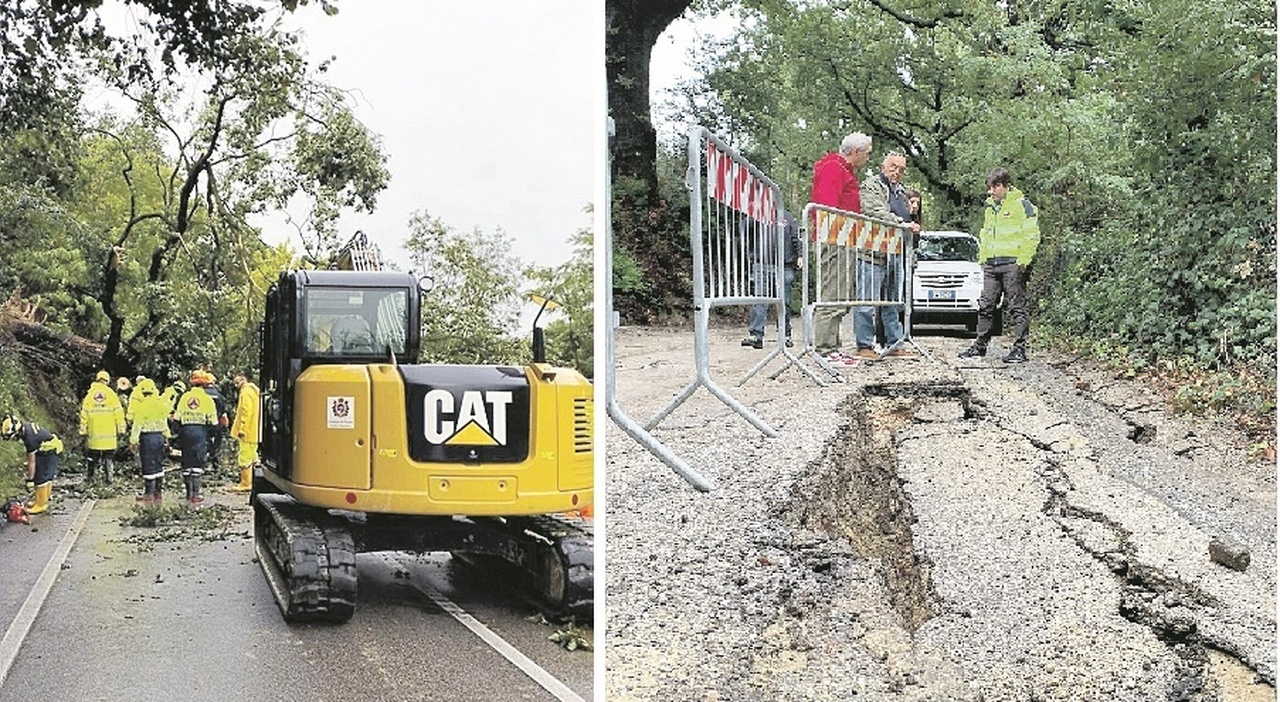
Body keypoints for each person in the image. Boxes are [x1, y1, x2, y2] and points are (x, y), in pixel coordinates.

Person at [959, 167, 1041, 363]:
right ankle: (980, 346)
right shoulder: (990, 207)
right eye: (989, 187)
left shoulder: (1023, 205)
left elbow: (1032, 235)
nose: (991, 191)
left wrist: (1023, 261)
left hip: (1013, 263)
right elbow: (986, 235)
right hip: (991, 265)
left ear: (1006, 186)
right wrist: (983, 259)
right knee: (986, 305)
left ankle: (1019, 349)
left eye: (995, 187)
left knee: (1016, 306)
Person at [809, 132, 873, 366]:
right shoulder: (833, 168)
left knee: (841, 292)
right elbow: (827, 206)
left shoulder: (841, 170)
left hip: (843, 238)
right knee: (833, 293)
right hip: (835, 238)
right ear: (855, 152)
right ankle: (825, 350)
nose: (867, 159)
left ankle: (832, 347)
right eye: (866, 154)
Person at [858, 151, 921, 359]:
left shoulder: (902, 192)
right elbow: (874, 211)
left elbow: (907, 216)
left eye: (901, 169)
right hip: (872, 252)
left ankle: (895, 344)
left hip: (895, 253)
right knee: (866, 302)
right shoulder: (870, 185)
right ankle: (864, 345)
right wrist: (902, 223)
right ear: (883, 166)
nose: (897, 172)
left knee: (892, 303)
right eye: (893, 167)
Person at [742, 211, 802, 349]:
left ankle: (785, 335)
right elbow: (744, 230)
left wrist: (800, 255)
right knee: (759, 300)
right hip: (761, 264)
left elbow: (796, 237)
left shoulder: (787, 217)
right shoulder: (757, 214)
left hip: (784, 265)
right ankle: (756, 336)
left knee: (784, 302)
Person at [1, 414, 64, 515]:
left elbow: (32, 462)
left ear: (16, 432)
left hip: (50, 451)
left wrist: (30, 479)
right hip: (49, 448)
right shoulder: (26, 428)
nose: (14, 439)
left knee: (41, 478)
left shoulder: (30, 439)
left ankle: (41, 505)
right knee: (46, 476)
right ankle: (42, 499)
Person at [174, 370, 218, 504]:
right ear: (204, 385)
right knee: (198, 462)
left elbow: (177, 419)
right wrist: (212, 436)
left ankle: (188, 493)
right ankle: (196, 494)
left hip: (186, 431)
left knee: (187, 462)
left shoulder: (184, 397)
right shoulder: (207, 399)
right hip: (200, 432)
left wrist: (177, 434)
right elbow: (214, 422)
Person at [128, 378, 171, 504]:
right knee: (158, 463)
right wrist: (167, 439)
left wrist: (133, 441)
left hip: (147, 438)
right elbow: (165, 423)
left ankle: (148, 493)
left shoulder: (141, 407)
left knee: (148, 464)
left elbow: (137, 426)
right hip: (159, 437)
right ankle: (158, 492)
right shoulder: (160, 405)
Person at [79, 369, 126, 483]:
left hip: (94, 432)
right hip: (109, 434)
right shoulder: (112, 395)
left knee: (92, 455)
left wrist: (83, 430)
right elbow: (118, 413)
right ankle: (109, 477)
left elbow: (84, 414)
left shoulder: (89, 396)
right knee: (108, 455)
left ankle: (90, 477)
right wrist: (121, 428)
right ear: (107, 381)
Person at [230, 372, 261, 492]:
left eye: (237, 382)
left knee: (244, 457)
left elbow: (245, 411)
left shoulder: (245, 392)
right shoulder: (254, 392)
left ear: (243, 380)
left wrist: (242, 429)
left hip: (247, 432)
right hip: (254, 431)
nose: (236, 385)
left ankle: (246, 483)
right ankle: (253, 481)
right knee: (253, 456)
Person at [203, 372, 230, 477]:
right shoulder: (219, 395)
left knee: (204, 444)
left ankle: (203, 465)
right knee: (216, 445)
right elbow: (223, 411)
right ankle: (215, 466)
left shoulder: (201, 394)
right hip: (216, 423)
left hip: (203, 423)